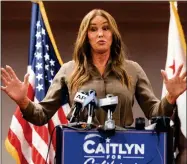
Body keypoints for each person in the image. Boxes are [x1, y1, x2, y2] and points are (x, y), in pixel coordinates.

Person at [1, 8, 186, 136]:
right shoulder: (68, 70)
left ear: (113, 35)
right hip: (81, 148)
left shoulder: (133, 69)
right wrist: (23, 100)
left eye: (106, 29)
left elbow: (154, 113)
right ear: (85, 36)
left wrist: (170, 97)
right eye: (93, 29)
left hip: (123, 150)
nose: (100, 34)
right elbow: (41, 115)